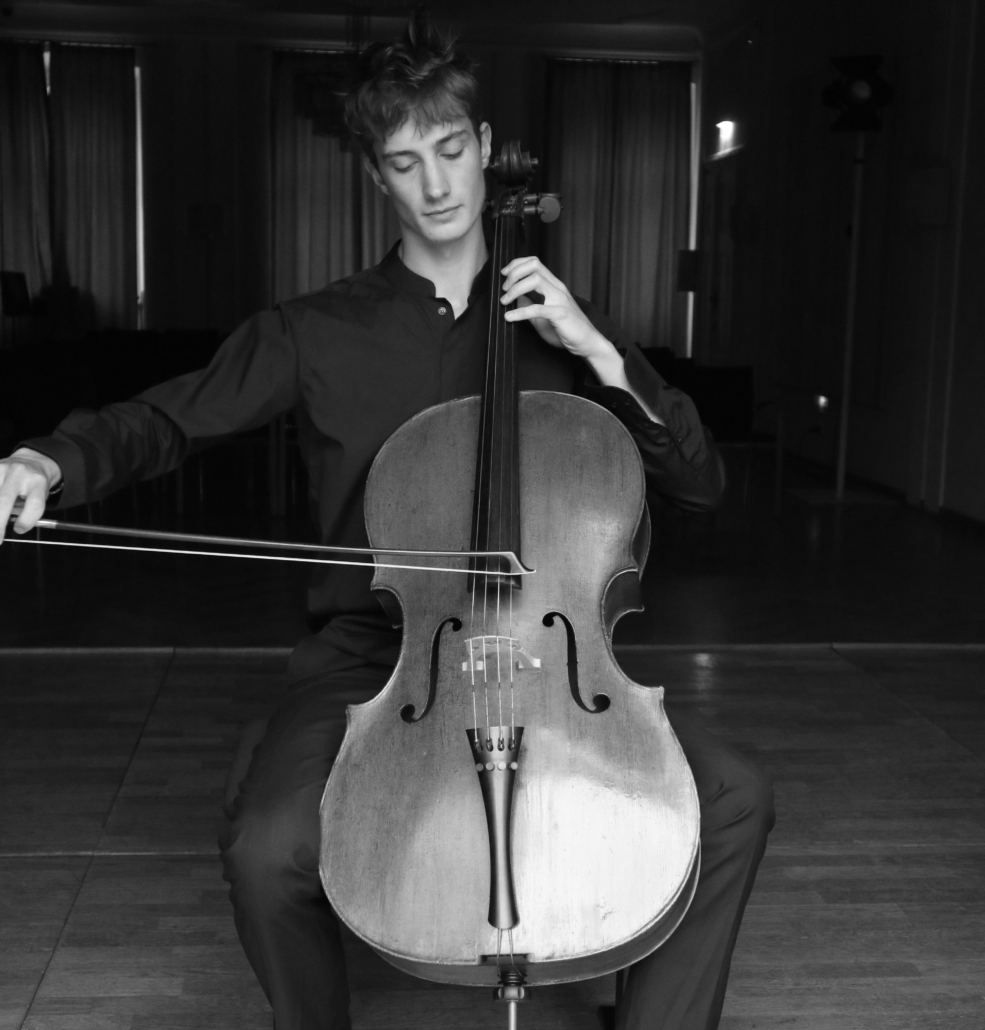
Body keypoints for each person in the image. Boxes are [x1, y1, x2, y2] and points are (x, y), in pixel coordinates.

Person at [0, 15, 774, 1030]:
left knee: (732, 798)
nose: (437, 184)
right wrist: (47, 459)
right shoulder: (315, 329)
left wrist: (595, 349)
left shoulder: (559, 324)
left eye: (451, 150)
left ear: (485, 147)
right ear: (377, 176)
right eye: (407, 163)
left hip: (551, 663)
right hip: (372, 660)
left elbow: (700, 482)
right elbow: (166, 419)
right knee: (268, 852)